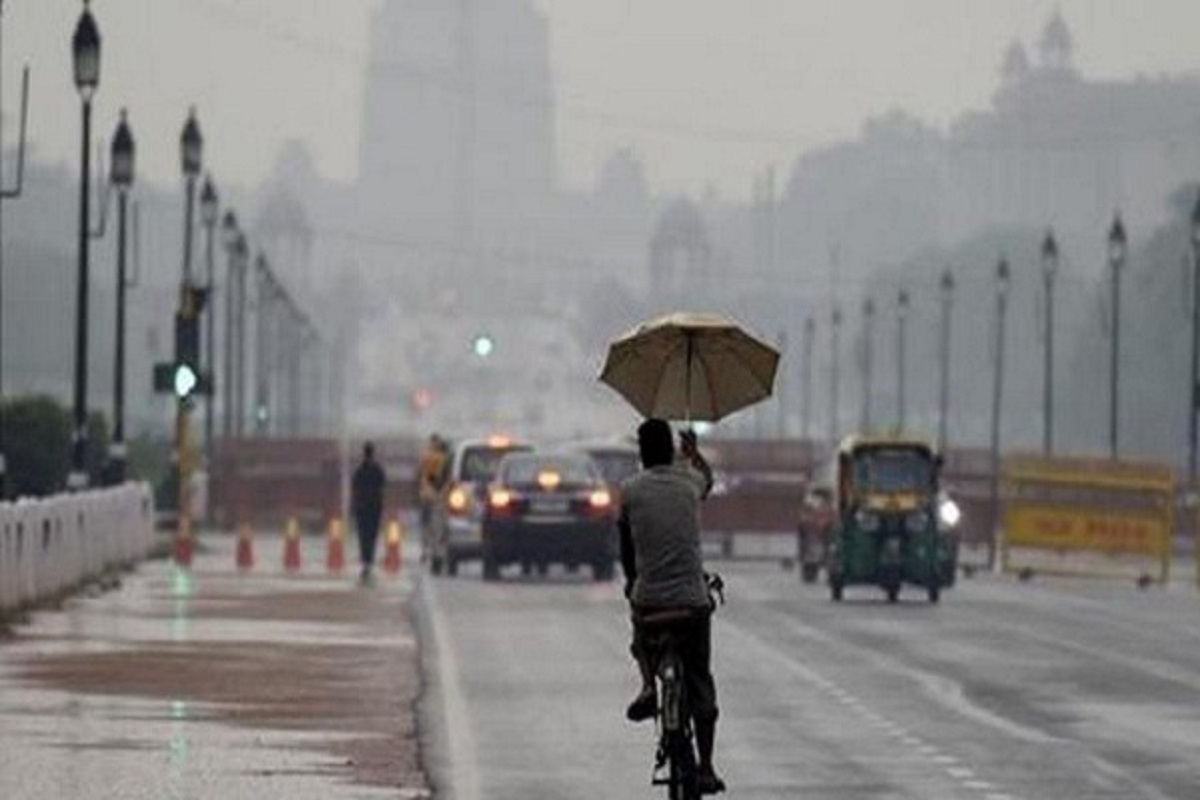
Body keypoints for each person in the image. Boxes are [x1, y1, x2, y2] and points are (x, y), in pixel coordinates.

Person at [618, 418, 725, 795]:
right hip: (692, 605)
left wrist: (634, 582)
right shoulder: (690, 483)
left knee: (639, 621)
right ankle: (707, 766)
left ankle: (648, 684)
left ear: (642, 454)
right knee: (699, 678)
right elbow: (708, 480)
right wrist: (695, 456)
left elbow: (626, 552)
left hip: (650, 606)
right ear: (671, 449)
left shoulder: (629, 491)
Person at [351, 441, 387, 584]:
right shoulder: (378, 470)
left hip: (361, 508)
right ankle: (369, 562)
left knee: (363, 535)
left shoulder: (359, 470)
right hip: (374, 508)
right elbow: (383, 486)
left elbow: (355, 488)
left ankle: (365, 562)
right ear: (373, 453)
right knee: (372, 535)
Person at [417, 433, 448, 551]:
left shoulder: (424, 456)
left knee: (425, 523)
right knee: (437, 524)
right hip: (438, 496)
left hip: (424, 494)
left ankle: (425, 547)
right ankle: (436, 547)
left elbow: (420, 475)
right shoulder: (442, 457)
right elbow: (440, 477)